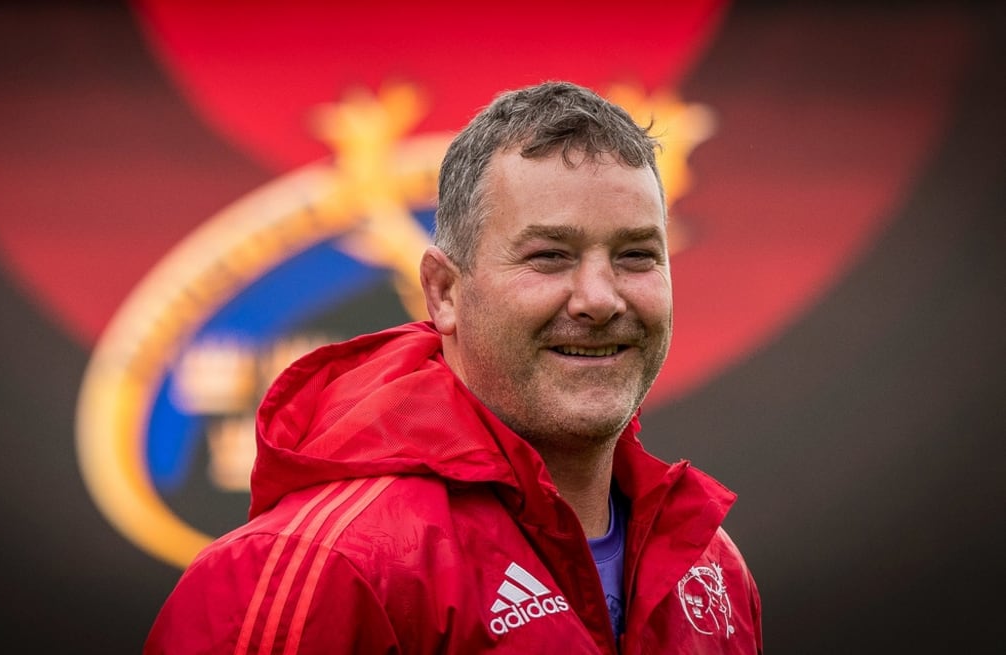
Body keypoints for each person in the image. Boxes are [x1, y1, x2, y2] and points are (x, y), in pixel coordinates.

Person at [144, 80, 762, 654]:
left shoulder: (711, 567)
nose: (600, 298)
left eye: (635, 255)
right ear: (442, 292)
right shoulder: (326, 565)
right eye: (549, 256)